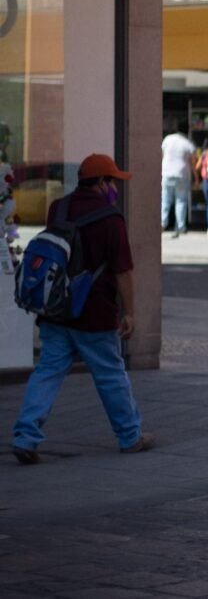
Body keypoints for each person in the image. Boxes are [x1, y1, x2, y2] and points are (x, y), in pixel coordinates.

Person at [11, 154, 155, 465]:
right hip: (94, 315)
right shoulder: (111, 219)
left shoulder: (57, 208)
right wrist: (129, 312)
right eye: (112, 181)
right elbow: (123, 272)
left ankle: (25, 435)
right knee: (111, 375)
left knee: (47, 373)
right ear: (102, 183)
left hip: (55, 310)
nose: (115, 187)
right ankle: (130, 437)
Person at [161, 121, 196, 238]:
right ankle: (180, 226)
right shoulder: (188, 143)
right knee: (181, 201)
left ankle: (162, 222)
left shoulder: (167, 139)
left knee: (166, 199)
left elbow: (161, 155)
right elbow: (193, 163)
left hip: (166, 172)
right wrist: (196, 177)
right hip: (182, 174)